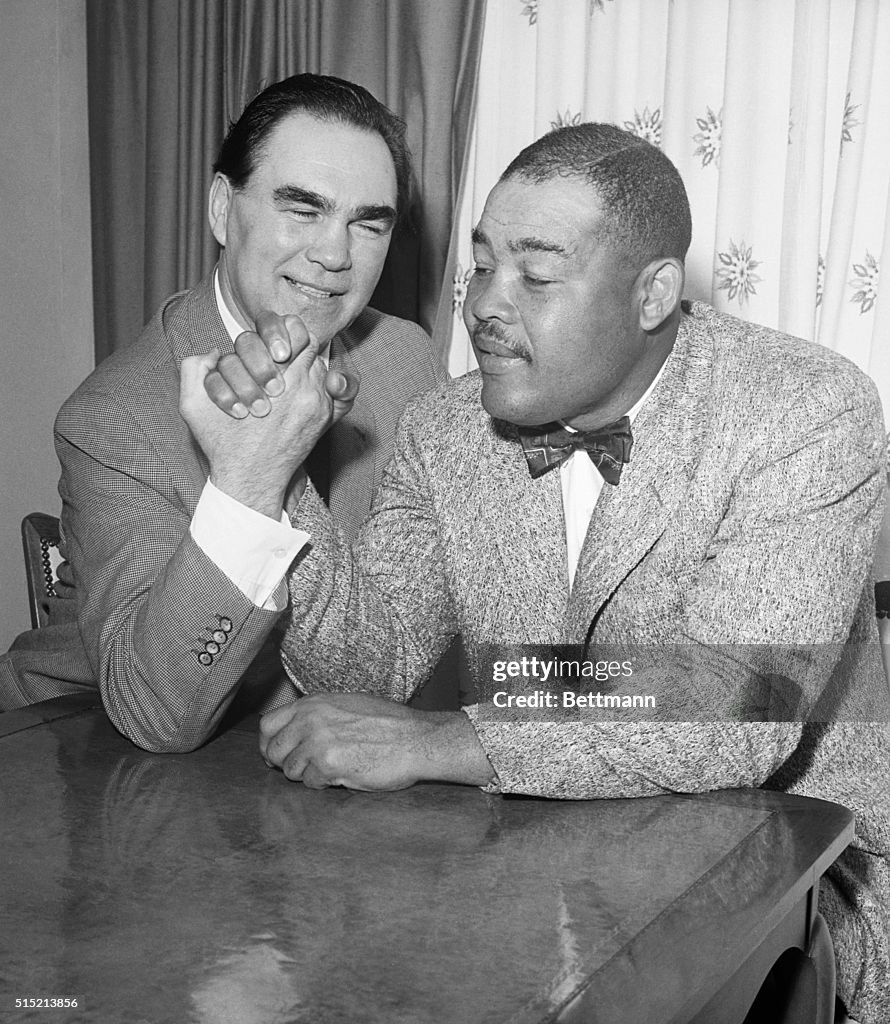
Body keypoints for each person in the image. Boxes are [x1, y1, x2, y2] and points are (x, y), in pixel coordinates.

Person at [183, 123, 889, 1022]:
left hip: (798, 898)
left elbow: (735, 701)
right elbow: (364, 671)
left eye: (536, 274)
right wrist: (266, 465)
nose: (484, 303)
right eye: (480, 265)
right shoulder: (447, 429)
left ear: (653, 294)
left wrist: (445, 741)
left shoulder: (804, 408)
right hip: (540, 871)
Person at [0, 74, 444, 754]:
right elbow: (155, 713)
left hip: (296, 756)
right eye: (302, 209)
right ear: (220, 210)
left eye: (367, 222)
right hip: (72, 749)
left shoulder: (405, 358)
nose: (334, 254)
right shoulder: (113, 418)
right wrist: (251, 479)